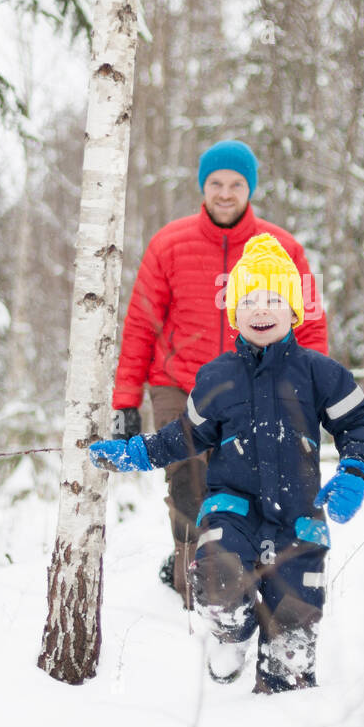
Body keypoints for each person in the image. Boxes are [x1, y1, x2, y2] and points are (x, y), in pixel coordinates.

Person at [90, 234, 364, 692]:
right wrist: (137, 452)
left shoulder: (321, 373)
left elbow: (357, 423)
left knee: (293, 642)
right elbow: (186, 436)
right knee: (217, 574)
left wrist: (355, 470)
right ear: (234, 313)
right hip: (233, 508)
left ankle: (283, 701)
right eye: (249, 301)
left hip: (299, 517)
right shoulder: (217, 377)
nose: (261, 310)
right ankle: (230, 633)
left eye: (274, 299)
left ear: (295, 310)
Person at [110, 139, 329, 607]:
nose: (225, 193)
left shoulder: (282, 248)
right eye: (216, 183)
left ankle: (245, 577)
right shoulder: (169, 244)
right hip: (178, 382)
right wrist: (125, 399)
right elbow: (141, 324)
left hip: (257, 383)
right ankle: (195, 590)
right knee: (188, 484)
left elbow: (309, 322)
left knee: (246, 482)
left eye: (236, 184)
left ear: (249, 188)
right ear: (202, 186)